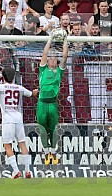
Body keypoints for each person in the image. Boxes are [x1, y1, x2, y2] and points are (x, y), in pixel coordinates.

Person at [38, 30, 68, 164]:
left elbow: (65, 56)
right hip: (42, 103)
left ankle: (54, 153)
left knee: (54, 128)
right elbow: (44, 53)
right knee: (42, 128)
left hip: (53, 104)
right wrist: (50, 39)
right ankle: (45, 153)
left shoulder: (59, 71)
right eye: (51, 58)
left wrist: (65, 40)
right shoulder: (43, 69)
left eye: (55, 58)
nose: (52, 59)